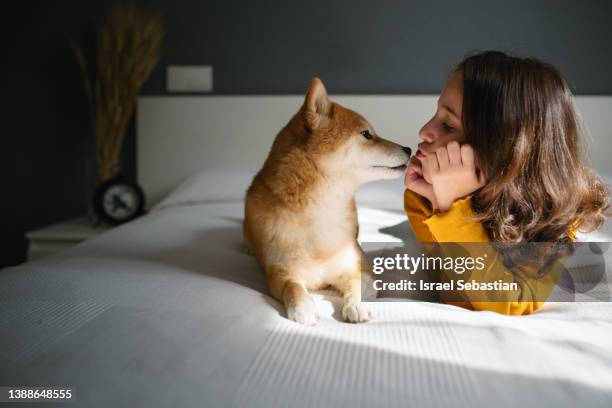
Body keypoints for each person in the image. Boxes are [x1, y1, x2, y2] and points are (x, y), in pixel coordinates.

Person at [404, 51, 609, 315]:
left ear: (502, 152)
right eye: (436, 114)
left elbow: (507, 302)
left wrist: (451, 207)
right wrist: (443, 204)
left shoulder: (560, 214)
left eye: (448, 124)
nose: (424, 130)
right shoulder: (422, 197)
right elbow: (454, 292)